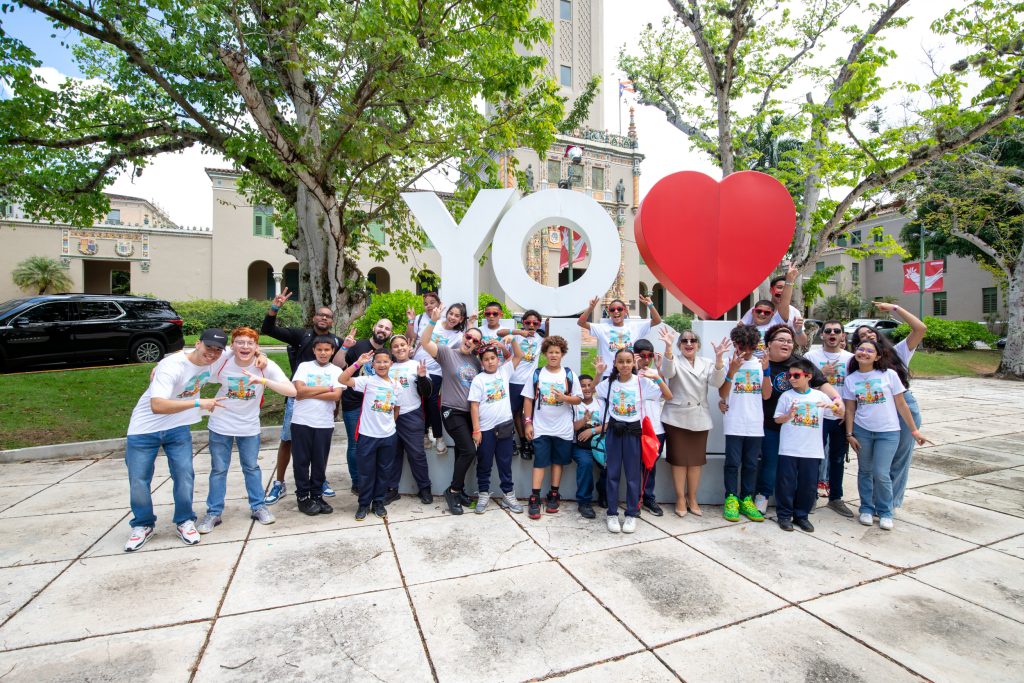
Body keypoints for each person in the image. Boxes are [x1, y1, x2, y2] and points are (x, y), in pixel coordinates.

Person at [123, 329, 229, 552]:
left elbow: (243, 350)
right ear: (198, 344)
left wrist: (261, 356)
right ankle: (143, 524)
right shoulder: (172, 366)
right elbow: (158, 406)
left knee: (184, 475)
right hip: (144, 429)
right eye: (209, 347)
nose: (213, 353)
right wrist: (199, 403)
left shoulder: (217, 357)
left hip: (177, 429)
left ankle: (184, 520)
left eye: (218, 349)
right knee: (139, 480)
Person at [198, 327, 295, 534]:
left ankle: (258, 506)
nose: (245, 347)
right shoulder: (222, 359)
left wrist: (263, 380)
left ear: (256, 347)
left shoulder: (264, 365)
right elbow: (194, 360)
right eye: (240, 342)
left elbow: (291, 390)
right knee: (219, 469)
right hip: (220, 424)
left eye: (250, 343)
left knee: (251, 467)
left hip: (249, 426)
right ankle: (214, 512)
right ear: (232, 345)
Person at [260, 288, 344, 504]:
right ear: (314, 318)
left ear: (332, 321)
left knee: (320, 445)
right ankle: (279, 483)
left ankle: (319, 481)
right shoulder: (301, 335)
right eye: (320, 314)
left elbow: (348, 365)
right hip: (298, 399)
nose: (324, 318)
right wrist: (274, 308)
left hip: (324, 404)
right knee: (287, 439)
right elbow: (267, 329)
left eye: (328, 316)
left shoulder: (337, 341)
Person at [843, 339, 929, 530]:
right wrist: (849, 434)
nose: (864, 353)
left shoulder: (889, 375)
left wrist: (914, 430)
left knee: (881, 473)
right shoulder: (851, 379)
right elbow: (850, 410)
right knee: (865, 471)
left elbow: (901, 404)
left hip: (888, 432)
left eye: (869, 351)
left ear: (878, 356)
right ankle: (866, 508)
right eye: (861, 349)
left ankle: (885, 511)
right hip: (862, 431)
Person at [755, 324, 843, 514]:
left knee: (798, 466)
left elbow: (822, 383)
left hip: (798, 427)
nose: (786, 344)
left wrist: (837, 400)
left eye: (789, 341)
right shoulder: (760, 362)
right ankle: (763, 495)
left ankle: (801, 500)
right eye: (781, 340)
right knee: (770, 462)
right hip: (771, 423)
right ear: (769, 344)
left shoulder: (800, 363)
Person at [850, 302, 927, 509]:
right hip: (873, 411)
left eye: (870, 333)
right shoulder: (858, 363)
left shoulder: (898, 351)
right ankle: (873, 502)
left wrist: (895, 308)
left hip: (903, 407)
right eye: (861, 338)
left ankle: (889, 504)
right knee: (874, 464)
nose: (867, 337)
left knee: (899, 458)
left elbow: (920, 329)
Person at [594, 348, 672, 534]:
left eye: (628, 361)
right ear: (615, 364)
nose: (625, 365)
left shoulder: (641, 383)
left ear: (634, 363)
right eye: (621, 361)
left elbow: (668, 396)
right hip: (614, 432)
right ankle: (612, 513)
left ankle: (631, 513)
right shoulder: (610, 382)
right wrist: (598, 373)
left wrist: (658, 378)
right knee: (612, 474)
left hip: (634, 434)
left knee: (633, 476)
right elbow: (594, 391)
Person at [418, 303, 483, 515]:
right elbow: (425, 342)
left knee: (461, 453)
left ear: (477, 345)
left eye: (475, 340)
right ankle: (452, 490)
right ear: (463, 337)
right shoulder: (447, 353)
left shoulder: (476, 362)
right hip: (451, 411)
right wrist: (434, 321)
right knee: (469, 450)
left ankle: (460, 489)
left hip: (468, 413)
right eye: (468, 337)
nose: (470, 341)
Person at [658, 327, 729, 517]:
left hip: (700, 417)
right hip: (676, 417)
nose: (689, 344)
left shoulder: (707, 363)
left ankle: (693, 497)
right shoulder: (674, 360)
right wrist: (667, 347)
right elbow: (667, 372)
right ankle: (680, 498)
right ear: (679, 345)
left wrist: (720, 359)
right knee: (679, 461)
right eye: (684, 341)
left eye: (692, 340)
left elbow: (716, 383)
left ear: (698, 344)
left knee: (696, 462)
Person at [772, 358, 844, 533]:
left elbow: (841, 413)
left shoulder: (819, 396)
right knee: (786, 483)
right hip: (789, 448)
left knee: (808, 485)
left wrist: (833, 406)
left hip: (812, 450)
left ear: (808, 376)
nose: (792, 379)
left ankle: (801, 516)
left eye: (796, 375)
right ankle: (784, 516)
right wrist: (788, 415)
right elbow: (777, 419)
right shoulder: (786, 396)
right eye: (790, 376)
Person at [522, 335, 583, 520]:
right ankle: (535, 497)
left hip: (563, 428)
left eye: (557, 352)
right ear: (545, 354)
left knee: (558, 462)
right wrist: (527, 422)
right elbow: (528, 399)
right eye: (550, 352)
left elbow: (578, 398)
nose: (554, 355)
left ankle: (554, 494)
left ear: (562, 354)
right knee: (540, 462)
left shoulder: (569, 374)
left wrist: (564, 398)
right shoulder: (537, 374)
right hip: (541, 427)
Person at [340, 349, 403, 521]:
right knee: (366, 472)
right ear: (373, 364)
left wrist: (390, 426)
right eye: (378, 362)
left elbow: (396, 409)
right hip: (367, 435)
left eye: (385, 361)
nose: (382, 365)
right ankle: (363, 504)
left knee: (384, 471)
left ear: (391, 363)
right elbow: (342, 379)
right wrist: (358, 363)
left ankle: (379, 502)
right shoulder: (366, 381)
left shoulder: (396, 386)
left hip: (389, 436)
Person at [804, 320, 856, 517]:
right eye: (828, 331)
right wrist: (821, 375)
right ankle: (811, 497)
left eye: (837, 331)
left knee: (837, 458)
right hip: (818, 415)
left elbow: (854, 388)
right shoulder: (811, 356)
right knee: (814, 458)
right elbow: (802, 384)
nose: (832, 334)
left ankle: (836, 497)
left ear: (843, 335)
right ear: (822, 335)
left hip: (841, 417)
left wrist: (849, 414)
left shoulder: (851, 359)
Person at [718, 324, 768, 523]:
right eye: (741, 345)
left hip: (755, 423)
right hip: (734, 422)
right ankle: (730, 498)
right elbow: (722, 394)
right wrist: (731, 371)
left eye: (750, 346)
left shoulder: (760, 364)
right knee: (732, 463)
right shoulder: (728, 363)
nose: (745, 351)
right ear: (735, 344)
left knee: (750, 464)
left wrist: (767, 371)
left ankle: (746, 498)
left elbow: (766, 394)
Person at [468, 341, 525, 513]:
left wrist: (507, 342)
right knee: (484, 463)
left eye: (493, 358)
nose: (490, 362)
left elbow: (519, 355)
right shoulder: (479, 380)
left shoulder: (504, 372)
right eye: (486, 359)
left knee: (505, 463)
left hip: (505, 427)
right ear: (481, 362)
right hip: (485, 430)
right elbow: (474, 406)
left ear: (498, 359)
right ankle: (484, 493)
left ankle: (508, 494)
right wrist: (476, 430)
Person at [290, 336, 344, 516]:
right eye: (319, 349)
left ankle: (316, 494)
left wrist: (310, 392)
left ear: (332, 351)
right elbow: (299, 391)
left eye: (327, 350)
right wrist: (327, 388)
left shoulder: (336, 371)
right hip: (301, 421)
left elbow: (336, 396)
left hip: (324, 423)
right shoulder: (304, 367)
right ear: (314, 350)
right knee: (301, 461)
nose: (323, 353)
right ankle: (303, 497)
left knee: (320, 462)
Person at [340, 318, 395, 494]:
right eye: (380, 325)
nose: (382, 330)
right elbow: (338, 366)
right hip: (354, 403)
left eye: (387, 328)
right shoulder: (359, 346)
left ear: (390, 334)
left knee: (377, 445)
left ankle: (375, 481)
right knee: (356, 445)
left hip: (377, 406)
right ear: (374, 327)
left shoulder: (389, 354)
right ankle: (358, 482)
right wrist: (345, 347)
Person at [408, 295, 466, 455]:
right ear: (446, 313)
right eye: (451, 314)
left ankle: (438, 436)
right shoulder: (435, 323)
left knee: (432, 401)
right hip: (417, 365)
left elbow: (459, 353)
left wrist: (473, 323)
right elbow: (421, 340)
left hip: (435, 370)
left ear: (462, 319)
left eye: (457, 316)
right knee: (420, 401)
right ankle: (425, 433)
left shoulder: (458, 336)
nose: (453, 317)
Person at [386, 335, 434, 505]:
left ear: (408, 346)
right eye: (396, 346)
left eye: (402, 345)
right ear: (391, 350)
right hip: (389, 416)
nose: (400, 348)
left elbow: (427, 392)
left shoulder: (416, 365)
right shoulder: (387, 367)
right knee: (392, 454)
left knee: (416, 454)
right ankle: (392, 489)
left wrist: (421, 377)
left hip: (411, 414)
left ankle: (425, 488)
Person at [578, 293, 662, 378]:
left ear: (625, 311)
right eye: (612, 310)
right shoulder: (602, 328)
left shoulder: (635, 327)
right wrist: (590, 309)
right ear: (609, 312)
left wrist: (650, 305)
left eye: (619, 309)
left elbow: (657, 320)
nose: (616, 311)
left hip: (630, 372)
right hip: (609, 373)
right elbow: (581, 323)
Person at [503, 309, 544, 460]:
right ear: (523, 323)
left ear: (539, 324)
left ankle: (527, 441)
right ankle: (516, 440)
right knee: (513, 412)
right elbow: (501, 332)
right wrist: (518, 332)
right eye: (528, 322)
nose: (531, 325)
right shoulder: (517, 336)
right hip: (514, 380)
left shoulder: (540, 339)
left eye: (535, 323)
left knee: (528, 414)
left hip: (530, 382)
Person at [632, 338, 665, 516]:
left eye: (649, 356)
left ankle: (648, 498)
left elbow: (666, 393)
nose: (646, 360)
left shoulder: (655, 373)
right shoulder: (627, 373)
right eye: (642, 356)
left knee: (650, 465)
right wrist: (635, 368)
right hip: (634, 427)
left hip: (655, 427)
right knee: (635, 466)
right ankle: (635, 499)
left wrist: (658, 370)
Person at [741, 266, 808, 347]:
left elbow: (803, 343)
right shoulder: (757, 308)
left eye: (786, 289)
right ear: (771, 290)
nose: (762, 314)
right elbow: (740, 326)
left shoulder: (793, 312)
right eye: (779, 287)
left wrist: (799, 331)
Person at [571, 374, 603, 519]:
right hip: (580, 446)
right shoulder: (574, 404)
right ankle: (584, 502)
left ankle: (604, 494)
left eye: (590, 385)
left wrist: (592, 430)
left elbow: (609, 424)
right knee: (585, 463)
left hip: (600, 444)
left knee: (609, 463)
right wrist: (584, 420)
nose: (587, 388)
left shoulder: (601, 403)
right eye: (582, 385)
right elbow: (572, 427)